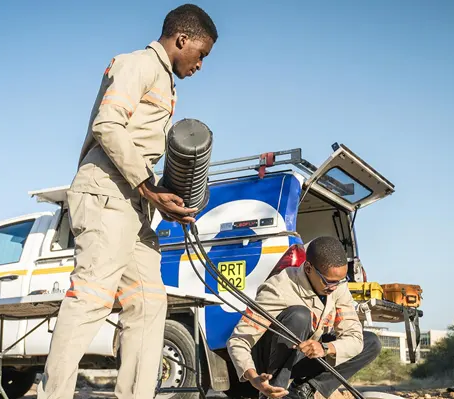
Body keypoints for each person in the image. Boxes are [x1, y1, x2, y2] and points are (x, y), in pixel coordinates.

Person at [37, 5, 218, 399]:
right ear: (182, 40)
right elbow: (107, 124)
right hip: (106, 193)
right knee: (91, 298)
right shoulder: (138, 64)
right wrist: (149, 186)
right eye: (201, 54)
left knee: (150, 303)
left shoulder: (167, 83)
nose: (201, 64)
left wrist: (169, 197)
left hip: (135, 206)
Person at [226, 236, 382, 399]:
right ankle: (275, 393)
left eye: (340, 281)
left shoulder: (338, 287)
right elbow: (238, 340)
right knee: (299, 315)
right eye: (328, 282)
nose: (334, 287)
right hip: (268, 361)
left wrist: (326, 348)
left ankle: (302, 390)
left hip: (304, 355)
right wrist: (254, 378)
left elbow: (354, 338)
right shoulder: (278, 288)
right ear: (308, 268)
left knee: (370, 342)